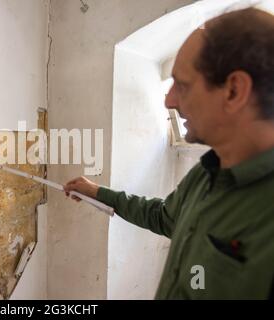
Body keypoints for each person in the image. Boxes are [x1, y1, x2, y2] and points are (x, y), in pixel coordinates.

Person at [63, 7, 274, 299]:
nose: (169, 101)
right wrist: (98, 192)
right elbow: (164, 217)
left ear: (234, 91)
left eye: (183, 85)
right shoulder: (206, 173)